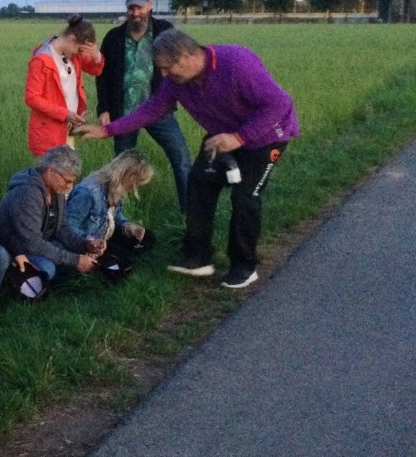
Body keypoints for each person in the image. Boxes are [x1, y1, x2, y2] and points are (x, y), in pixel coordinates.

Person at [86, 29, 299, 289]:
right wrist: (107, 130)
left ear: (187, 56)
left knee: (245, 197)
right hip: (222, 137)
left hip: (266, 137)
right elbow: (151, 109)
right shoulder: (177, 82)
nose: (164, 75)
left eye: (167, 68)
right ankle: (197, 257)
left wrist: (239, 138)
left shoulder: (237, 63)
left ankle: (244, 265)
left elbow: (279, 104)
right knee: (198, 185)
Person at [96, 0, 191, 212]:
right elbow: (103, 76)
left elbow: (179, 62)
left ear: (149, 6)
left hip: (159, 110)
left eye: (139, 7)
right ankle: (116, 216)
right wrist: (104, 109)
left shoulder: (164, 31)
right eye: (131, 8)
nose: (135, 12)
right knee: (120, 166)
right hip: (125, 113)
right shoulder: (113, 38)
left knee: (181, 158)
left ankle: (190, 211)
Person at [0, 145, 105, 303]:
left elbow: (61, 228)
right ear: (51, 171)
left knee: (69, 255)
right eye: (67, 181)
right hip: (15, 249)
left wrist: (85, 244)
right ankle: (16, 289)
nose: (69, 186)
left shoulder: (56, 192)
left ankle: (44, 287)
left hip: (36, 244)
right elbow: (31, 243)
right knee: (48, 267)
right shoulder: (28, 194)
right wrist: (74, 260)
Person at [65, 150, 157, 279]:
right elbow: (68, 226)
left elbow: (114, 216)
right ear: (128, 175)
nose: (136, 187)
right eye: (137, 182)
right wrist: (89, 242)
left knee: (148, 237)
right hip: (89, 241)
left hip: (105, 233)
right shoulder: (88, 193)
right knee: (125, 266)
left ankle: (113, 258)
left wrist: (127, 226)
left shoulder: (115, 187)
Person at [25, 15, 104, 156]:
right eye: (80, 50)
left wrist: (97, 56)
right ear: (72, 40)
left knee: (68, 174)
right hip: (48, 132)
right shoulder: (42, 59)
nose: (80, 55)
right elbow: (32, 98)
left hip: (67, 128)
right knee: (52, 175)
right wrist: (65, 114)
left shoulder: (74, 56)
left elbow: (95, 70)